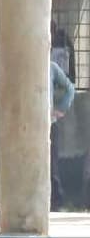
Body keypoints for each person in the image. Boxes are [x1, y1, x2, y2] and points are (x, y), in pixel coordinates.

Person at [51, 57, 76, 211]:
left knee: (51, 164)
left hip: (49, 123)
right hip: (26, 124)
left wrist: (61, 108)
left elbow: (70, 88)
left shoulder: (51, 68)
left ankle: (56, 202)